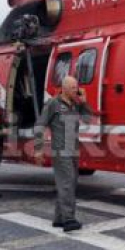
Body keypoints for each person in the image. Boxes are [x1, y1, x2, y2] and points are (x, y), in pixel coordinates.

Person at [34, 75, 93, 232]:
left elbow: (88, 119)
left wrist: (84, 102)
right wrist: (38, 149)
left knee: (70, 183)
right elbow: (40, 125)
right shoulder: (53, 104)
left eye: (77, 87)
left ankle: (59, 218)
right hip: (61, 150)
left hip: (73, 149)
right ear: (64, 88)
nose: (76, 90)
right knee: (66, 183)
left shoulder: (75, 104)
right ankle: (69, 219)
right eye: (73, 87)